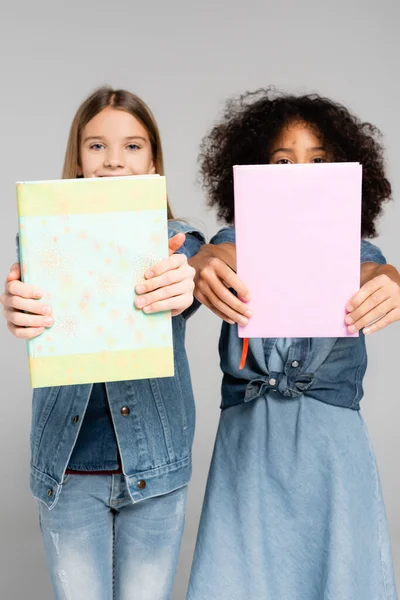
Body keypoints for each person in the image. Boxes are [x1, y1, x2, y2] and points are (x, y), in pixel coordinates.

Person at [186, 88, 400, 599]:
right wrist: (199, 266)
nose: (300, 174)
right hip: (249, 446)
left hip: (332, 453)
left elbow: (373, 268)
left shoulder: (355, 249)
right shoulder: (236, 240)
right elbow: (217, 256)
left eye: (318, 161)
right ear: (254, 172)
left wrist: (392, 277)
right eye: (282, 161)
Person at [0, 86, 204, 600]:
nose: (114, 160)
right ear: (78, 157)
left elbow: (194, 272)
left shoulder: (177, 239)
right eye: (97, 146)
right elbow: (25, 297)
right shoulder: (42, 240)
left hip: (154, 466)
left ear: (154, 158)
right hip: (67, 468)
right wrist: (17, 307)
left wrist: (185, 282)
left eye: (133, 146)